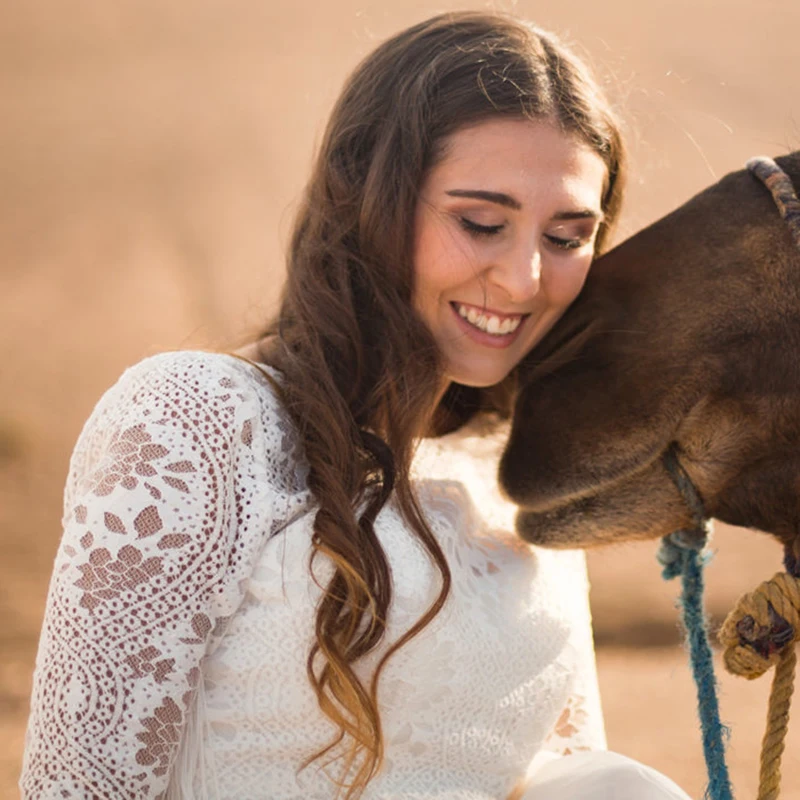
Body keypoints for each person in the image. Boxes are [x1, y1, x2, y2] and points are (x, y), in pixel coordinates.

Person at [20, 11, 692, 800]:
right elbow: (77, 786)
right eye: (482, 224)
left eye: (567, 236)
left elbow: (561, 773)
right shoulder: (199, 420)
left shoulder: (515, 469)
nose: (524, 280)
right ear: (370, 197)